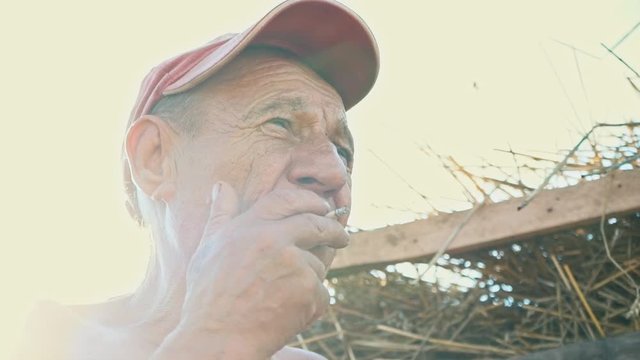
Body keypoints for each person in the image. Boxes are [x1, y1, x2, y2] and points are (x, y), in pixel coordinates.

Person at [19, 0, 379, 359]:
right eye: (279, 124)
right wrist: (219, 335)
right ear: (155, 159)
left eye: (342, 152)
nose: (334, 175)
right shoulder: (37, 339)